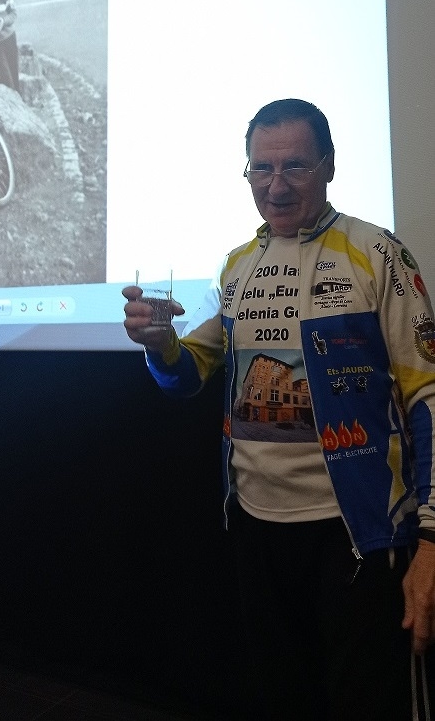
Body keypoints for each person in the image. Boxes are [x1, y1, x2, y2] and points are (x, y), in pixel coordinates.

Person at [123, 98, 435, 721]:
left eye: (295, 166)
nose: (276, 185)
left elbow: (427, 395)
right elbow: (188, 376)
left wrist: (431, 540)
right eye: (261, 169)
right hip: (256, 528)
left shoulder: (378, 253)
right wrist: (159, 346)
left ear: (329, 167)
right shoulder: (237, 266)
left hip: (358, 534)